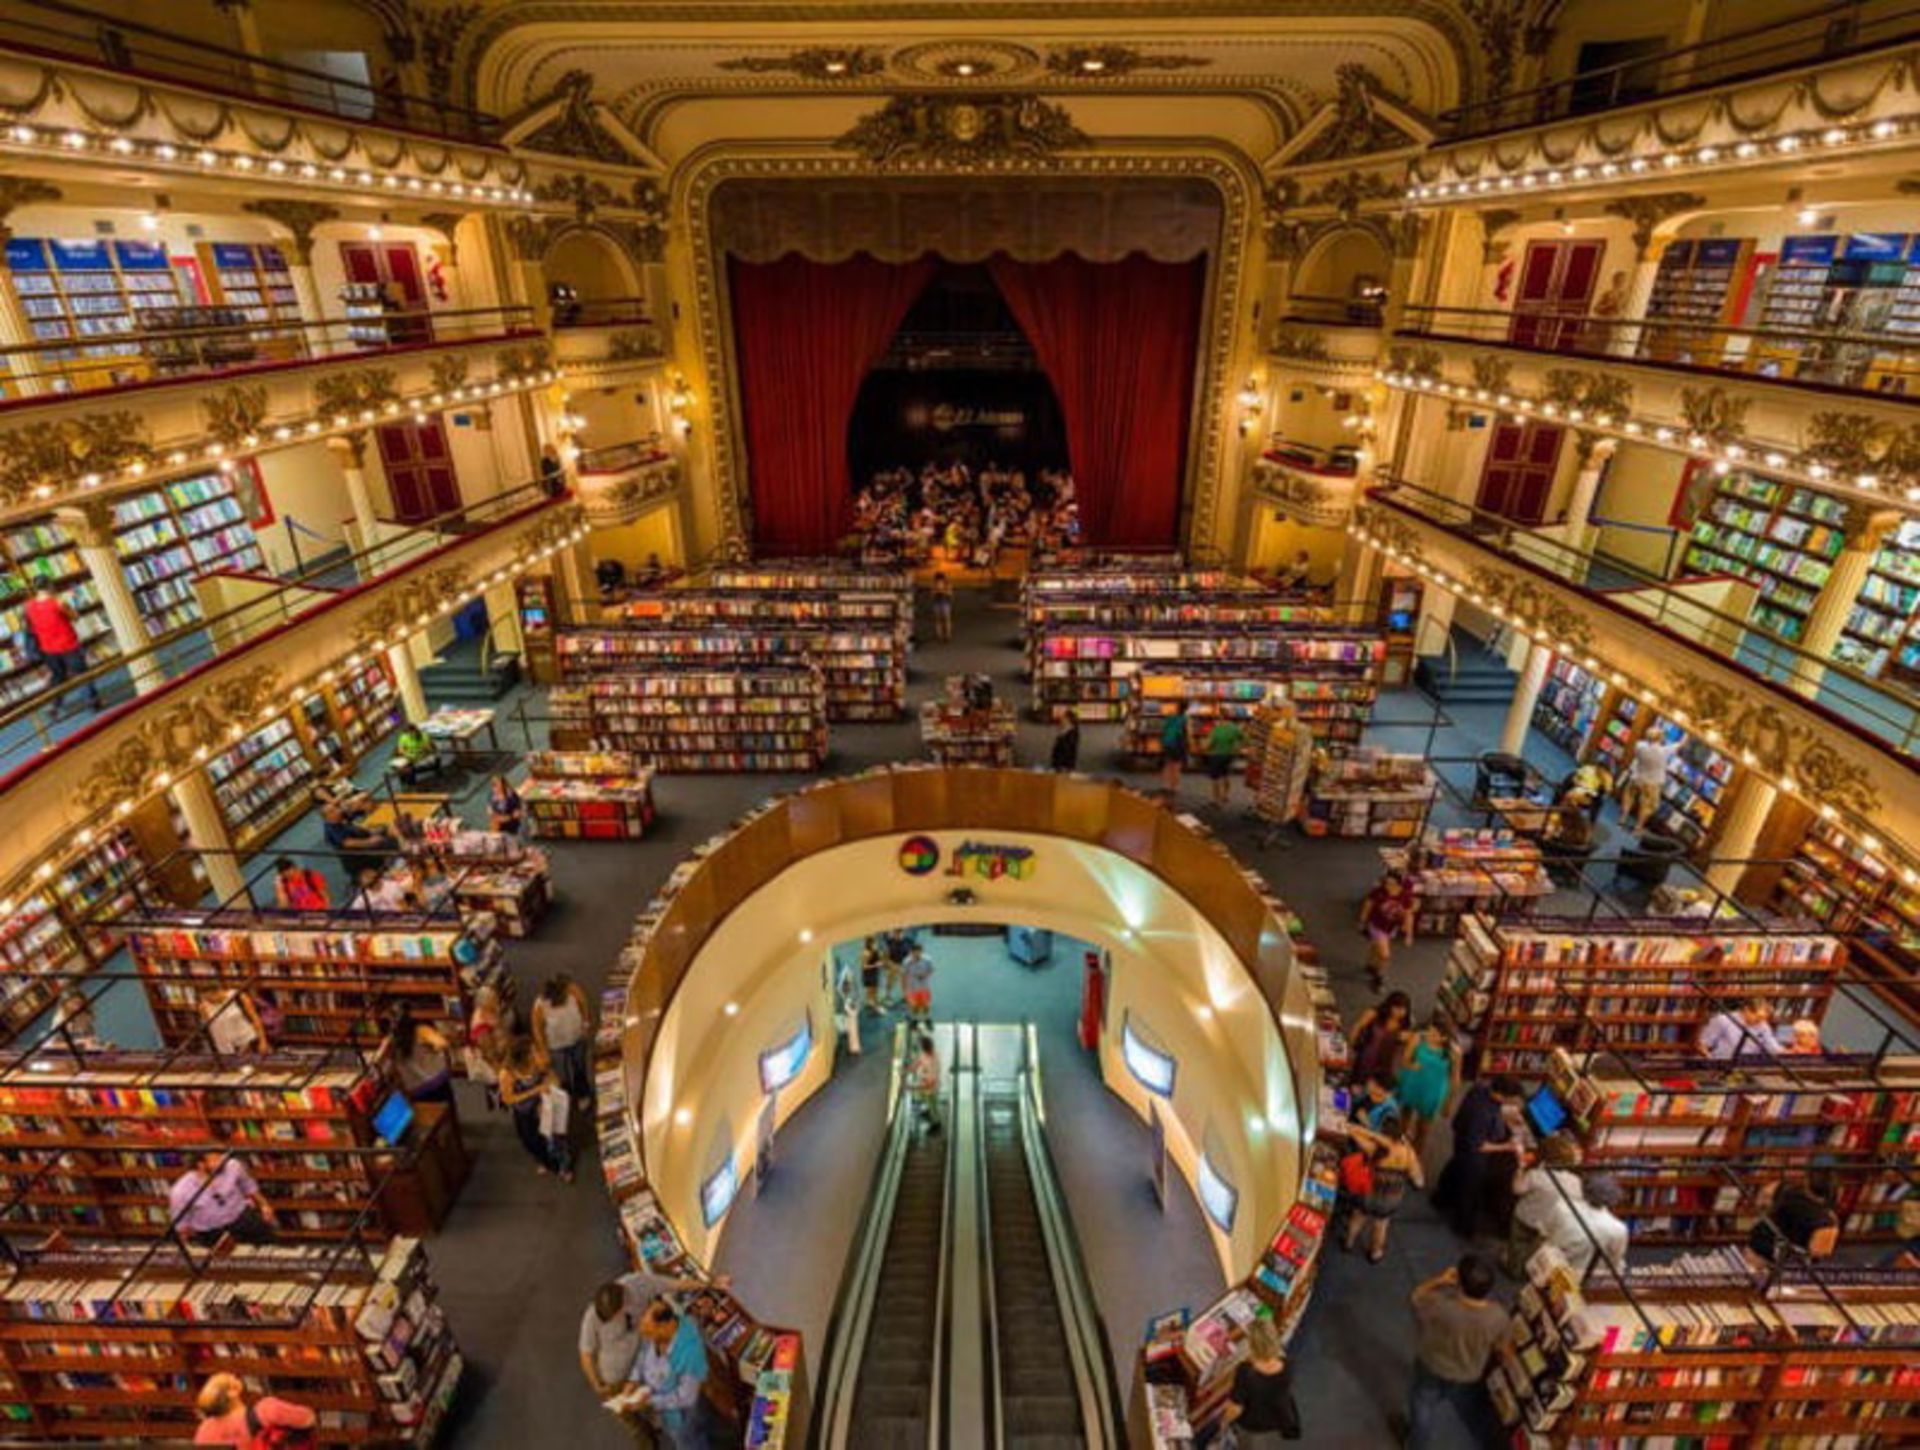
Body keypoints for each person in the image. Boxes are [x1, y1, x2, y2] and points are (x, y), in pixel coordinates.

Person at [1393, 1255, 1509, 1449]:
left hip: (1433, 1363)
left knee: (1422, 1402)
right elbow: (1502, 1349)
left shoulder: (1441, 1305)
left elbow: (1417, 1296)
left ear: (1458, 1280)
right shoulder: (1498, 1316)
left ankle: (1415, 1444)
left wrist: (1440, 1279)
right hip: (1467, 1373)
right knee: (1440, 1394)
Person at [1432, 1074, 1524, 1239]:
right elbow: (1479, 1145)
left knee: (1455, 1167)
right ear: (1500, 1095)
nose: (1511, 1103)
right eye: (1510, 1099)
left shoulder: (1479, 1088)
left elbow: (1491, 1112)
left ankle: (1441, 1198)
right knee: (1470, 1190)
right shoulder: (1482, 1115)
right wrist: (1508, 1146)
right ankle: (1462, 1227)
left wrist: (1504, 1115)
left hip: (1460, 1141)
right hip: (1473, 1156)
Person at [624, 1297, 712, 1448]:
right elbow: (643, 1354)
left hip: (682, 1416)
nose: (647, 1337)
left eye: (650, 1333)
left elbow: (686, 1398)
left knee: (688, 1442)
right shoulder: (654, 1334)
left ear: (664, 1325)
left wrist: (648, 1401)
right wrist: (633, 1380)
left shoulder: (690, 1352)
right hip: (665, 1410)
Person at [1343, 1115, 1424, 1264]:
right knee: (1381, 1226)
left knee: (1358, 1218)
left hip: (1369, 1193)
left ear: (1382, 1132)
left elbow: (1350, 1130)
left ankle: (1348, 1244)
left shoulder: (1374, 1148)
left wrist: (1372, 1134)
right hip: (1391, 1198)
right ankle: (1375, 1254)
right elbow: (1419, 1182)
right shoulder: (1409, 1154)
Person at [1507, 1132, 1585, 1277]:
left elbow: (1516, 1189)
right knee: (1535, 1251)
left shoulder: (1536, 1175)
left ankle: (1514, 1269)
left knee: (1518, 1246)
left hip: (1525, 1218)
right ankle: (1528, 1273)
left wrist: (1520, 1169)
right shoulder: (1575, 1182)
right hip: (1548, 1225)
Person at [169, 1150, 278, 1247]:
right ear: (200, 1165)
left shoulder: (233, 1166)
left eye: (221, 1156)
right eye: (216, 1159)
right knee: (225, 1264)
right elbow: (181, 1227)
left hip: (241, 1217)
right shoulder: (180, 1191)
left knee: (270, 1242)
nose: (223, 1161)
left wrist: (264, 1205)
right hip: (211, 1231)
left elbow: (249, 1186)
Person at [499, 1035, 571, 1180]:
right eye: (534, 1051)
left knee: (554, 1137)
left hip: (543, 1106)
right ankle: (543, 1160)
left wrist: (553, 1084)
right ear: (524, 1057)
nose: (538, 1053)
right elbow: (508, 1099)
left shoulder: (540, 1062)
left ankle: (561, 1167)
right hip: (524, 1112)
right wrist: (536, 1090)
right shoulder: (507, 1073)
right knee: (532, 1141)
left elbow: (552, 1075)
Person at [1221, 1315, 1301, 1444]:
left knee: (1247, 1442)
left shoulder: (1246, 1372)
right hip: (1275, 1417)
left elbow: (1236, 1408)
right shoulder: (1288, 1364)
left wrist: (1223, 1422)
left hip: (1252, 1422)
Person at [23, 584, 100, 717]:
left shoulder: (28, 606)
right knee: (81, 674)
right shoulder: (58, 603)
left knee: (58, 677)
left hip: (47, 648)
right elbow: (75, 617)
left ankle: (54, 706)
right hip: (68, 645)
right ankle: (92, 703)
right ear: (51, 587)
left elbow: (29, 626)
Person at [192, 1372, 315, 1446]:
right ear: (232, 1392)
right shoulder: (267, 1411)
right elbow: (309, 1418)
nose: (236, 1377)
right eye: (232, 1378)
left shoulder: (204, 1430)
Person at [1749, 1170, 1840, 1267]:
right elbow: (1818, 1253)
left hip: (1759, 1244)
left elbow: (1765, 1195)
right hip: (1785, 1259)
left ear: (1807, 1183)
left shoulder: (1789, 1191)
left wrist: (1762, 1213)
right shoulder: (1827, 1222)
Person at [1395, 1017, 1458, 1152]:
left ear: (1444, 1038)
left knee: (1423, 1128)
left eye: (1434, 1034)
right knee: (1404, 1115)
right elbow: (1404, 1060)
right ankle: (1397, 1144)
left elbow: (1455, 1079)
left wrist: (1448, 1103)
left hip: (1432, 1092)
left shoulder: (1454, 1052)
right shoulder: (1418, 1038)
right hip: (1412, 1083)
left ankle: (1415, 1155)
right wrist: (1411, 1065)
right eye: (1429, 1030)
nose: (1429, 1035)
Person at [533, 973, 593, 1102]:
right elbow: (537, 1028)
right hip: (556, 1046)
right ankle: (566, 1098)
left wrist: (585, 1023)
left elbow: (583, 1002)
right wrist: (543, 1049)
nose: (569, 990)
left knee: (580, 1068)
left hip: (576, 1038)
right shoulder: (541, 1005)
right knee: (562, 1075)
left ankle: (583, 1094)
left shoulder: (572, 990)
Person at [1358, 870, 1416, 992]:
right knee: (1385, 955)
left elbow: (1409, 915)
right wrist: (1362, 922)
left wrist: (1409, 934)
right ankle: (1379, 979)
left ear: (1398, 883)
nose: (1388, 885)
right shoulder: (1378, 892)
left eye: (1392, 883)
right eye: (1387, 882)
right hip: (1376, 926)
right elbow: (1367, 905)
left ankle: (1370, 965)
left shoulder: (1405, 896)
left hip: (1391, 928)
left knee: (1376, 946)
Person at [1349, 991, 1412, 1088]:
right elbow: (1357, 1027)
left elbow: (1402, 1052)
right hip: (1365, 1056)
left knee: (1376, 1090)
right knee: (1357, 1086)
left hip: (1384, 1063)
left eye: (1403, 1009)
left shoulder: (1405, 1025)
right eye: (1397, 1008)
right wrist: (1351, 1046)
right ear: (1390, 1005)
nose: (1400, 1012)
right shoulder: (1374, 1013)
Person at [392, 1009, 454, 1105]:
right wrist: (434, 1049)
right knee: (448, 1111)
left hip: (417, 1091)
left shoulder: (392, 1040)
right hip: (438, 1081)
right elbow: (443, 1043)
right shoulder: (421, 1030)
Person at [1620, 730, 1677, 830]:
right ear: (1660, 738)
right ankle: (1638, 826)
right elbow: (1680, 744)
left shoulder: (1639, 746)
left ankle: (1623, 818)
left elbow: (1637, 755)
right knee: (1648, 806)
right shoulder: (1664, 751)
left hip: (1637, 777)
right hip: (1652, 783)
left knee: (1629, 796)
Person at [1699, 996, 1786, 1059]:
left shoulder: (1763, 1025)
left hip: (1751, 1065)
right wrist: (1710, 1061)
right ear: (1746, 1010)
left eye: (1764, 1018)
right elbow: (1702, 1045)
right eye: (1758, 1017)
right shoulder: (1723, 1020)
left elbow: (1773, 1046)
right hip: (1725, 1062)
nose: (1761, 1021)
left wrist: (1788, 1053)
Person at [200, 987, 268, 1058]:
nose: (207, 999)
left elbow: (255, 1018)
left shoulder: (238, 996)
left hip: (248, 1043)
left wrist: (263, 1040)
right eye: (204, 997)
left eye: (209, 996)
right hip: (225, 1051)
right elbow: (210, 1030)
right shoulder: (204, 1006)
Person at [1202, 711, 1244, 808]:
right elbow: (1244, 739)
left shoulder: (1216, 730)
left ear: (1220, 718)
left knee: (1215, 779)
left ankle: (1216, 801)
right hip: (1229, 755)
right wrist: (1238, 748)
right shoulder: (1235, 728)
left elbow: (1208, 745)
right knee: (1226, 775)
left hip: (1216, 756)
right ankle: (1225, 796)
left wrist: (1204, 747)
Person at [907, 1029, 941, 1137]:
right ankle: (928, 1111)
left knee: (933, 1105)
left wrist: (911, 1087)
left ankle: (936, 1124)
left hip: (931, 1089)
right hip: (925, 1085)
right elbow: (918, 1062)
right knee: (924, 1098)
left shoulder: (933, 1064)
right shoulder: (926, 1053)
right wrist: (908, 1069)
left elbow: (929, 1084)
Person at [1159, 701, 1192, 795]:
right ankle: (1174, 787)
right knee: (1177, 766)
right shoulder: (1185, 718)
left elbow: (1164, 728)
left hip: (1167, 742)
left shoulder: (1171, 716)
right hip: (1178, 743)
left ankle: (1165, 785)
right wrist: (1189, 744)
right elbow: (1188, 733)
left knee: (1167, 764)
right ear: (1186, 709)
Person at [901, 939, 935, 1021]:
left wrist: (925, 975)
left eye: (919, 952)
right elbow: (903, 976)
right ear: (911, 952)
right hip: (912, 988)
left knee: (926, 1005)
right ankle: (915, 1020)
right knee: (915, 1006)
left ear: (922, 951)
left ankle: (927, 1018)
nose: (917, 954)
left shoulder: (928, 960)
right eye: (915, 952)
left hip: (924, 987)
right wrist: (904, 990)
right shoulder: (906, 962)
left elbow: (931, 970)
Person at [1050, 707, 1081, 772]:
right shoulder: (1063, 732)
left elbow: (1067, 750)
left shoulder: (1072, 733)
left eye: (1063, 718)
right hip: (1058, 766)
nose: (1061, 720)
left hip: (1065, 767)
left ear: (1068, 719)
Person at [860, 936, 884, 1012]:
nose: (875, 944)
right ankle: (876, 1007)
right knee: (873, 991)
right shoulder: (865, 953)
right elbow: (864, 966)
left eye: (875, 943)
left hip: (874, 973)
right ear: (870, 943)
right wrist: (875, 965)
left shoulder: (875, 951)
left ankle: (870, 1004)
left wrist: (880, 962)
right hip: (869, 974)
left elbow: (879, 959)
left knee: (872, 991)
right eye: (874, 943)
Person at [929, 571, 953, 641]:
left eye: (940, 580)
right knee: (938, 619)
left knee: (947, 619)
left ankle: (948, 635)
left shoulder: (947, 584)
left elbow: (950, 593)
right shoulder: (934, 585)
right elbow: (932, 594)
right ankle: (939, 635)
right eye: (938, 580)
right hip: (937, 603)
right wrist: (937, 592)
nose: (939, 582)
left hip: (945, 603)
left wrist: (943, 591)